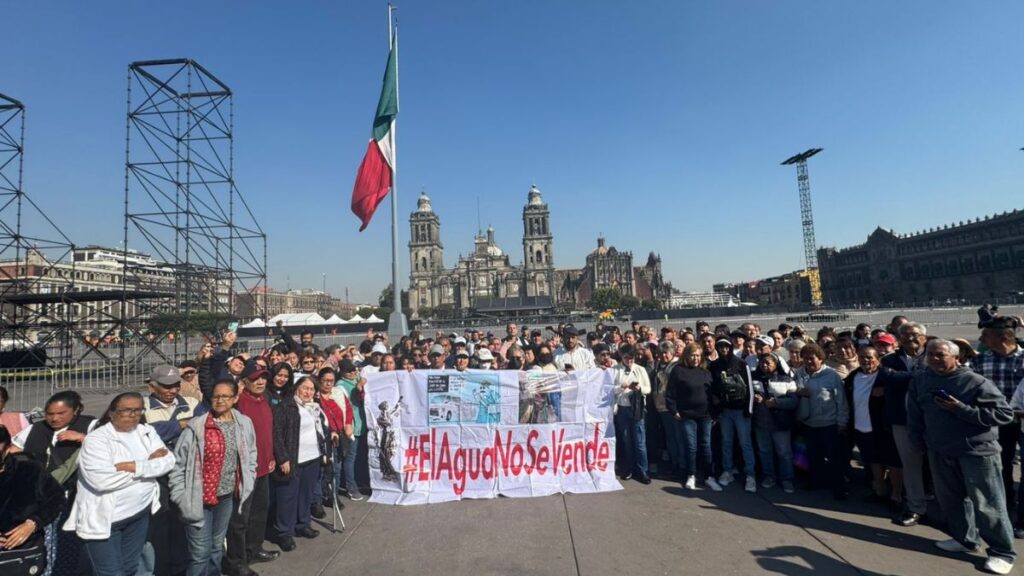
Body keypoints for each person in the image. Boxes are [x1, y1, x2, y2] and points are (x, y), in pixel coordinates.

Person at [908, 339, 1016, 575]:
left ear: (956, 357)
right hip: (940, 450)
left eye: (941, 355)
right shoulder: (922, 379)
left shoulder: (975, 381)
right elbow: (915, 411)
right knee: (951, 500)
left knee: (988, 504)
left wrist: (961, 409)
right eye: (931, 355)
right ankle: (965, 539)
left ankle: (1002, 552)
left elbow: (1004, 414)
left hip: (977, 453)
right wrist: (916, 439)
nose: (935, 359)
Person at [65, 392, 175, 576]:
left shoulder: (147, 431)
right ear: (112, 412)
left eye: (138, 410)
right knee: (111, 573)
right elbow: (101, 480)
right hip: (107, 520)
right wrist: (148, 465)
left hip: (139, 514)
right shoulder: (96, 440)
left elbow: (169, 461)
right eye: (126, 410)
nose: (133, 414)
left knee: (130, 568)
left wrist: (133, 466)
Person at [170, 380, 257, 576]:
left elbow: (250, 454)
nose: (219, 400)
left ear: (235, 399)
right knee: (200, 553)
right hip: (197, 498)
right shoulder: (197, 427)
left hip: (226, 496)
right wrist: (180, 496)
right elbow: (178, 464)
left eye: (225, 396)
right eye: (216, 396)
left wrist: (248, 480)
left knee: (217, 547)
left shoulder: (243, 423)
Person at [11, 390, 95, 575]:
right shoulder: (36, 428)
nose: (54, 418)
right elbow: (13, 450)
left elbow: (110, 445)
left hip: (74, 495)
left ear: (75, 411)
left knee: (69, 542)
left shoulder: (91, 425)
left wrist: (82, 438)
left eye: (61, 413)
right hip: (41, 494)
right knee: (47, 543)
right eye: (50, 414)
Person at [225, 363, 280, 576]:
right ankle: (237, 561)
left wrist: (273, 456)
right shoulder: (239, 403)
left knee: (259, 512)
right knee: (240, 519)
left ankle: (254, 548)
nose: (260, 382)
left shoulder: (264, 400)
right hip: (244, 471)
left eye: (263, 378)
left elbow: (268, 432)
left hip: (264, 467)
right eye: (256, 378)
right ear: (245, 381)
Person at [974, 317, 1024, 533]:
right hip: (995, 424)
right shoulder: (980, 361)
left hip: (1022, 422)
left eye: (986, 335)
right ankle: (1005, 503)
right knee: (999, 466)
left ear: (1003, 337)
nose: (981, 339)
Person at [878, 321, 929, 527]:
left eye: (915, 334)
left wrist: (902, 378)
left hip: (934, 420)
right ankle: (916, 507)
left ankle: (952, 511)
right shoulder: (889, 359)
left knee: (942, 467)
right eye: (905, 335)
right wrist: (920, 375)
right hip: (902, 420)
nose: (910, 338)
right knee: (911, 466)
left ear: (924, 337)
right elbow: (888, 378)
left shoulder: (934, 355)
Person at [0, 425, 66, 576]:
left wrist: (33, 523)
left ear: (8, 448)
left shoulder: (29, 469)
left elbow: (56, 498)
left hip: (23, 552)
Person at [844, 345, 903, 512]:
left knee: (893, 463)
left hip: (884, 427)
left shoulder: (886, 375)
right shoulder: (853, 377)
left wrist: (887, 390)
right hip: (861, 427)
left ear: (878, 359)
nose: (865, 360)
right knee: (873, 461)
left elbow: (905, 387)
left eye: (870, 357)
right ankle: (880, 491)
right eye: (862, 357)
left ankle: (896, 496)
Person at [272, 376, 323, 551]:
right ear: (296, 388)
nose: (308, 392)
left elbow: (319, 429)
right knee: (287, 497)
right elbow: (277, 434)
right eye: (305, 388)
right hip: (294, 459)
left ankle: (303, 524)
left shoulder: (314, 408)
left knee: (306, 494)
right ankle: (285, 532)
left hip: (312, 457)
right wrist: (282, 458)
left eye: (312, 389)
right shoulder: (285, 406)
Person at [796, 343, 849, 500]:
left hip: (829, 423)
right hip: (809, 423)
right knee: (814, 455)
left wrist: (842, 421)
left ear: (820, 359)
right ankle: (816, 481)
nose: (809, 361)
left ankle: (839, 486)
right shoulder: (799, 374)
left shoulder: (832, 375)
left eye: (812, 358)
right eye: (805, 358)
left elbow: (841, 400)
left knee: (834, 457)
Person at [666, 343, 721, 492]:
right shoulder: (678, 370)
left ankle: (709, 477)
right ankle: (691, 475)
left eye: (698, 355)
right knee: (691, 447)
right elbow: (670, 393)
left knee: (706, 446)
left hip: (706, 415)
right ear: (686, 356)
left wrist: (715, 412)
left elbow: (712, 393)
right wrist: (674, 411)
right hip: (687, 415)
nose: (695, 358)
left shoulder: (705, 371)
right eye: (692, 355)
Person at [709, 338, 757, 492]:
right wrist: (716, 408)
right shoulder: (714, 365)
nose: (723, 349)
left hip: (740, 410)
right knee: (726, 442)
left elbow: (749, 387)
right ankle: (727, 471)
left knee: (745, 443)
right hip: (725, 411)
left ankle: (750, 475)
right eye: (720, 346)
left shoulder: (741, 363)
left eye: (726, 346)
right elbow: (712, 387)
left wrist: (748, 410)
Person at [751, 353, 798, 493]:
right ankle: (769, 476)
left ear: (776, 364)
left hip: (780, 423)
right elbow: (747, 395)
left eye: (768, 363)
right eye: (762, 363)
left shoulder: (787, 379)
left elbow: (794, 401)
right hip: (761, 422)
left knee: (784, 453)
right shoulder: (753, 378)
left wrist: (777, 402)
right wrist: (754, 398)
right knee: (765, 451)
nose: (764, 366)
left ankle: (787, 479)